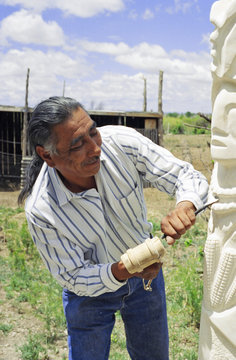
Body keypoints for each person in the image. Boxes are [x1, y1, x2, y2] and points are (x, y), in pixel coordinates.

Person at [19, 96, 209, 360]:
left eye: (93, 132)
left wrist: (186, 204)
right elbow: (73, 276)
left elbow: (185, 175)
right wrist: (124, 269)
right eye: (77, 145)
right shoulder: (42, 209)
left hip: (146, 282)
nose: (95, 148)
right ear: (47, 155)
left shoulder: (121, 143)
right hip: (89, 296)